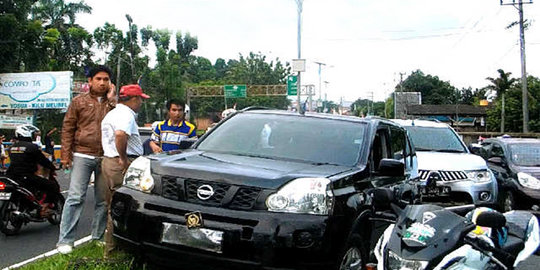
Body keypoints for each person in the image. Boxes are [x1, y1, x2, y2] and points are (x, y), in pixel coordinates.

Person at [56, 65, 116, 254]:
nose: (102, 82)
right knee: (75, 197)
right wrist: (65, 155)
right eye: (98, 79)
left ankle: (97, 237)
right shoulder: (78, 102)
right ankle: (65, 241)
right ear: (90, 81)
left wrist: (113, 100)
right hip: (82, 154)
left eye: (106, 79)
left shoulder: (113, 104)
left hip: (105, 156)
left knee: (103, 201)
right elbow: (67, 128)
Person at [101, 84, 149, 257]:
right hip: (120, 162)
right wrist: (123, 159)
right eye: (140, 99)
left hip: (109, 161)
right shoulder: (125, 115)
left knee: (113, 207)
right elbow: (121, 135)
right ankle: (115, 252)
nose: (141, 103)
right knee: (122, 208)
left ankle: (113, 249)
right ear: (134, 99)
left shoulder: (113, 113)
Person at [6, 125, 59, 216]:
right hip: (26, 176)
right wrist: (52, 167)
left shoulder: (12, 148)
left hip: (10, 176)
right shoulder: (32, 147)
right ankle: (44, 208)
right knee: (52, 185)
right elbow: (43, 161)